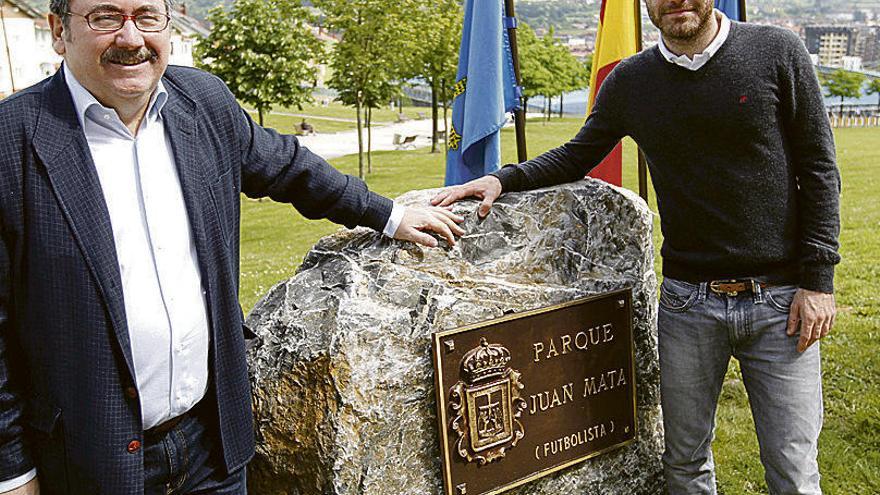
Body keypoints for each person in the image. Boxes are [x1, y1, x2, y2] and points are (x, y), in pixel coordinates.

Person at [0, 0, 464, 492]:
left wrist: (388, 216)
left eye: (147, 17)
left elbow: (290, 168)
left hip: (211, 450)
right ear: (58, 30)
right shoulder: (11, 139)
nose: (132, 38)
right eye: (106, 17)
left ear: (168, 26)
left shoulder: (202, 102)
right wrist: (14, 471)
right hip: (85, 463)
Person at [433, 1, 840, 494]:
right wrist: (503, 179)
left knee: (793, 470)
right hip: (689, 304)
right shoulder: (630, 81)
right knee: (684, 463)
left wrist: (818, 282)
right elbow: (579, 153)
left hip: (781, 302)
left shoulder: (777, 50)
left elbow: (819, 170)